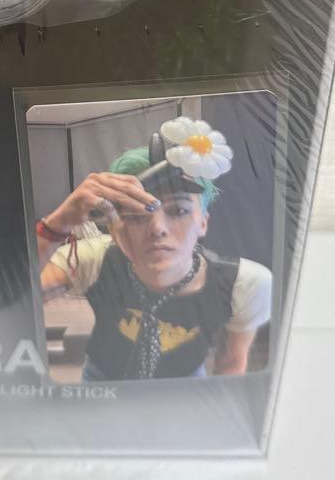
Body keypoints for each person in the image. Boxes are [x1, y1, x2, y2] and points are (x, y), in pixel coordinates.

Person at [36, 145, 271, 381]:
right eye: (136, 214)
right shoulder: (93, 259)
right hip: (103, 380)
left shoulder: (243, 284)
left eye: (178, 210)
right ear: (114, 229)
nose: (158, 228)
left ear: (203, 222)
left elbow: (231, 362)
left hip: (186, 383)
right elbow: (18, 300)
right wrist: (56, 224)